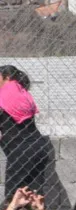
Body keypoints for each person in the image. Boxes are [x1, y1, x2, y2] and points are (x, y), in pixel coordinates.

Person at [0, 66, 49, 202]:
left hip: (21, 150)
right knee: (35, 195)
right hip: (39, 147)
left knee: (13, 195)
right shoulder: (23, 93)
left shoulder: (4, 95)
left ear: (7, 78)